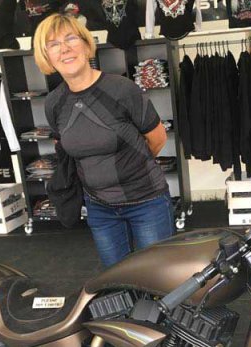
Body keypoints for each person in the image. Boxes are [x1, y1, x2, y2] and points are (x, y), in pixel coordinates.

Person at [33, 13, 174, 268]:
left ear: (86, 44)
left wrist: (134, 168)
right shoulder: (54, 103)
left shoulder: (122, 89)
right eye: (53, 44)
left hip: (146, 201)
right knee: (116, 278)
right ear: (47, 56)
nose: (64, 49)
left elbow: (157, 138)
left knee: (156, 276)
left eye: (70, 39)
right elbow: (67, 148)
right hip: (100, 208)